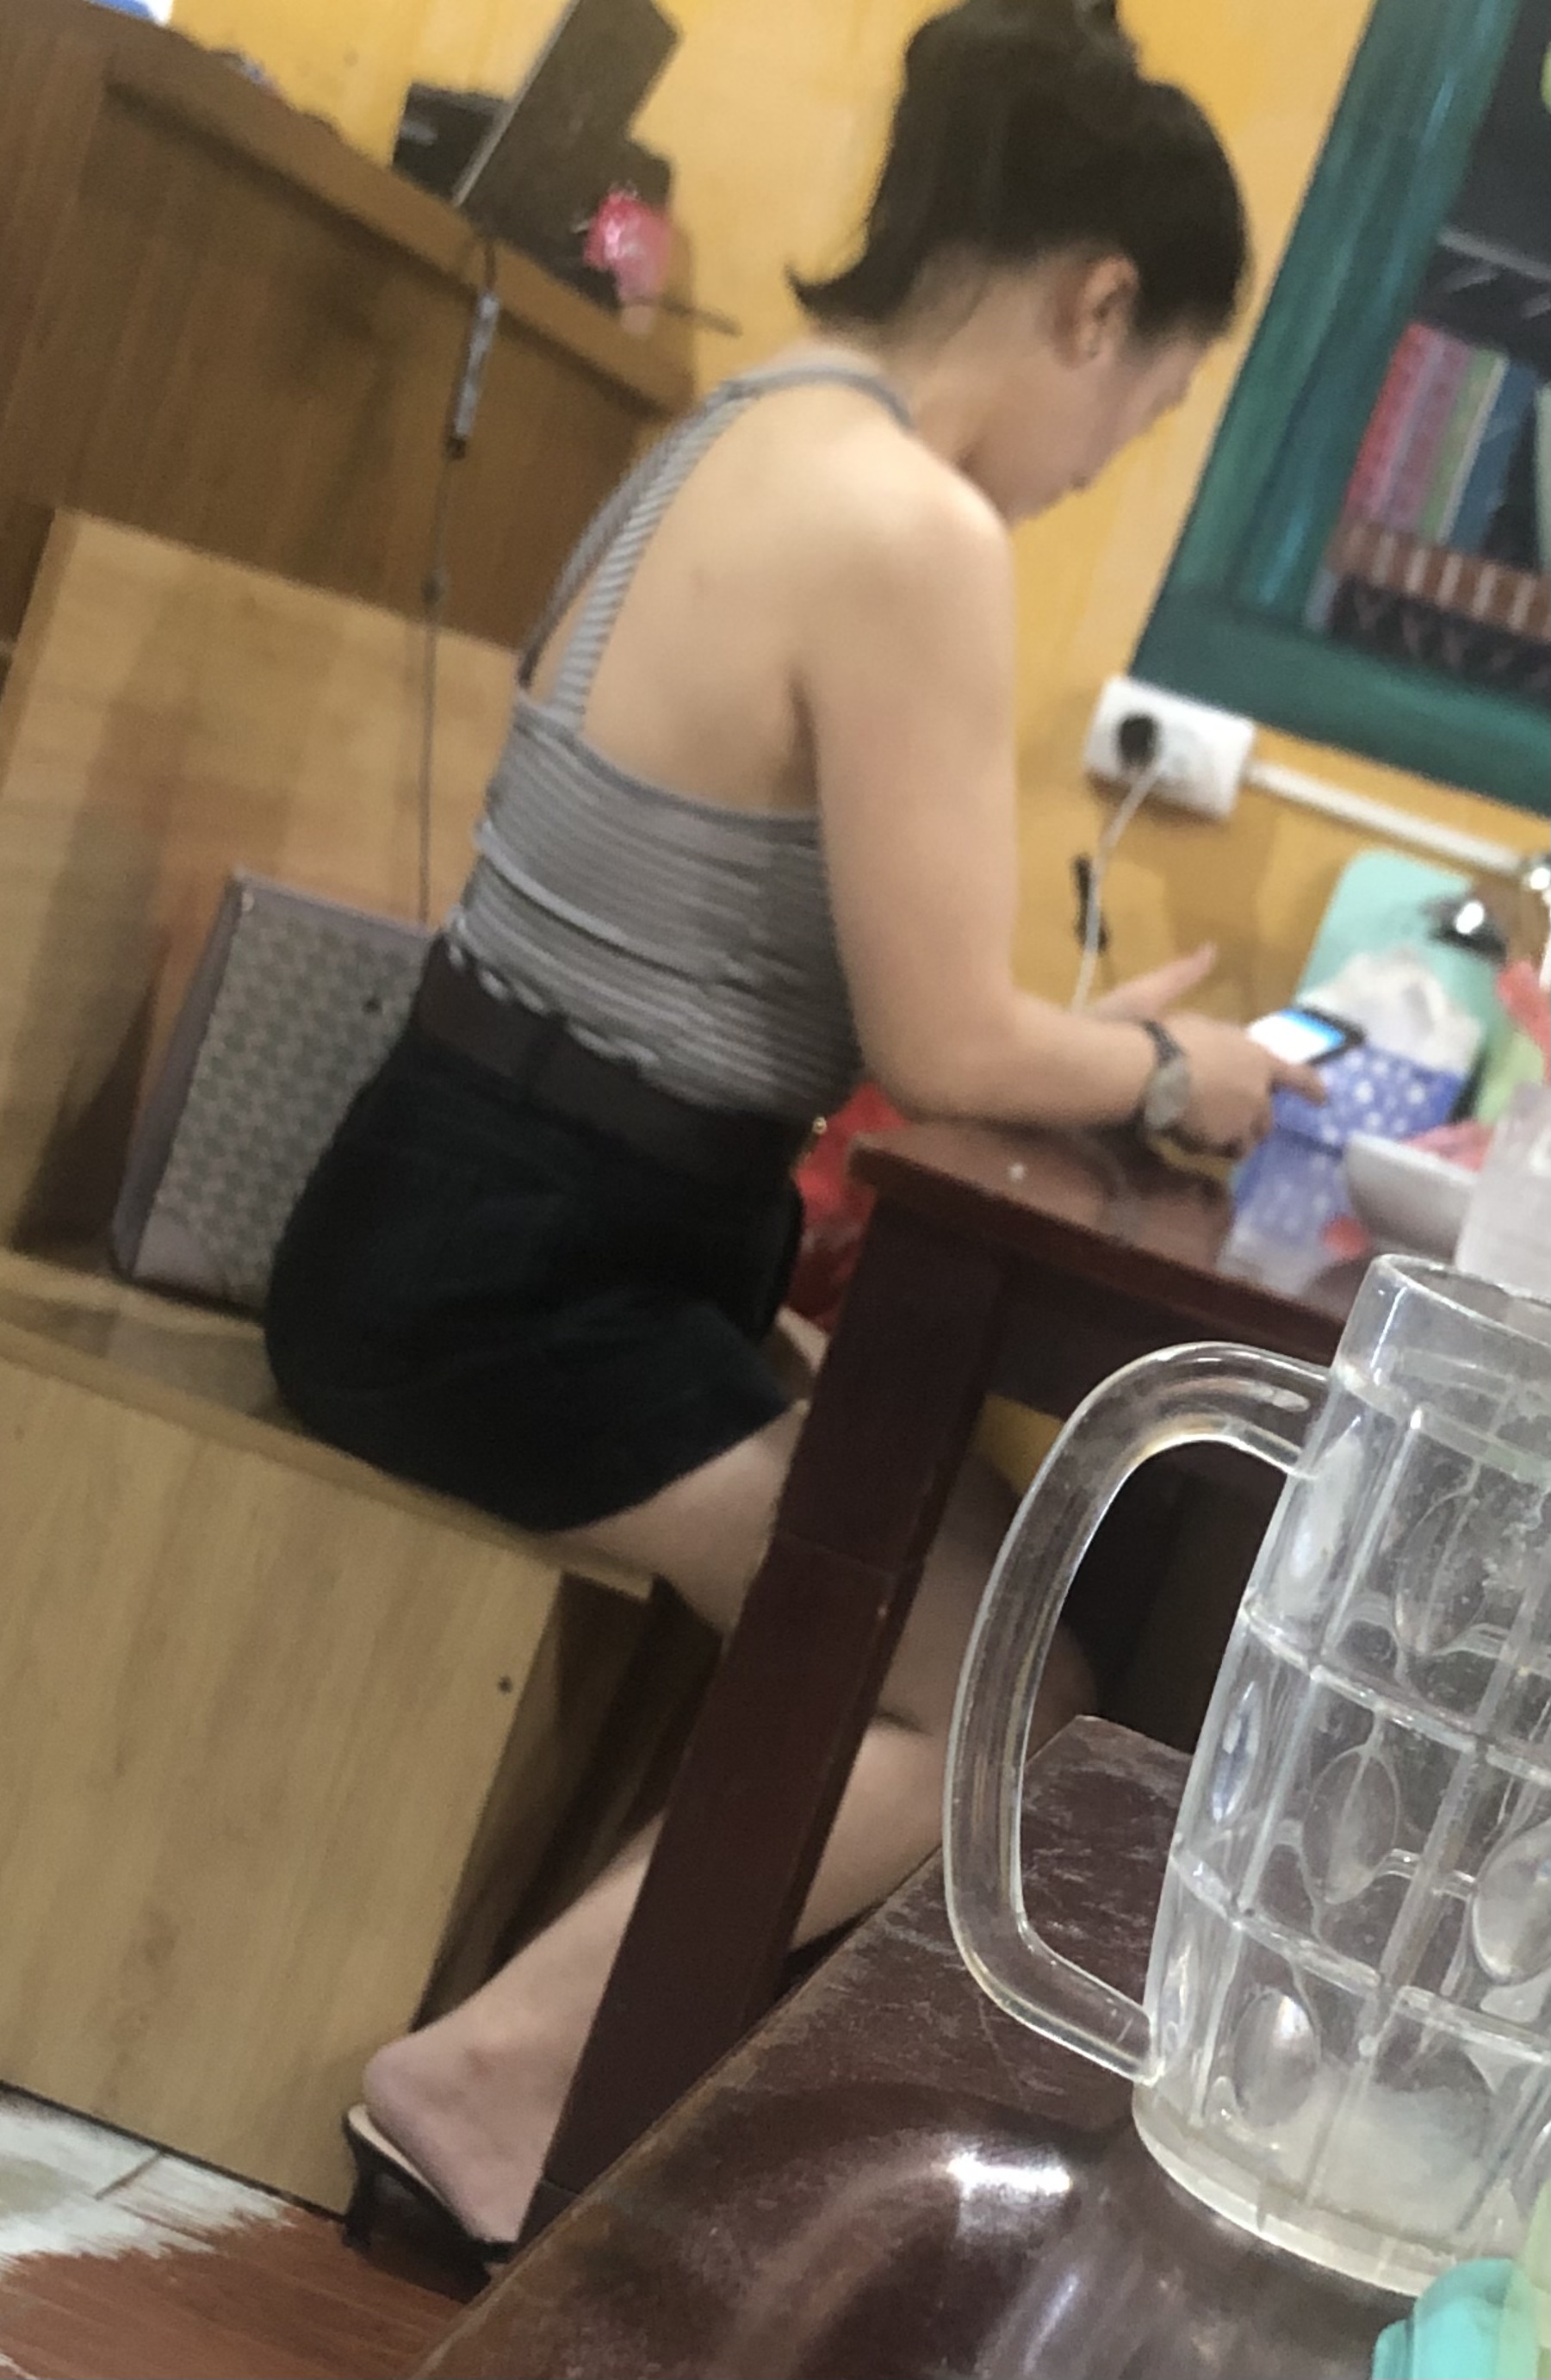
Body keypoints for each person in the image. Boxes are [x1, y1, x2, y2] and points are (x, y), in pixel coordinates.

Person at [264, 0, 1324, 2259]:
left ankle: (570, 2065)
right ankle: (481, 2088)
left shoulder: (751, 422)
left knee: (982, 1555)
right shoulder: (908, 523)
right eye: (1143, 412)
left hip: (466, 1206)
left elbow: (837, 977)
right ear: (1096, 305)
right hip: (519, 1287)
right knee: (1009, 1693)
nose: (1097, 466)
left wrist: (1062, 1041)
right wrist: (1174, 1077)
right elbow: (938, 1043)